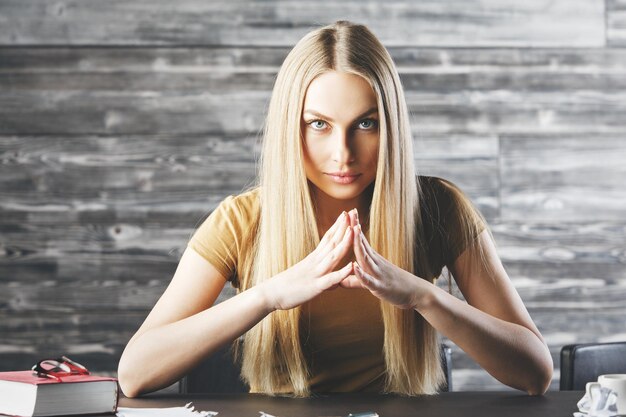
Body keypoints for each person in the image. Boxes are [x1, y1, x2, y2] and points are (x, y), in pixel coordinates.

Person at [117, 20, 553, 398]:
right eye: (319, 125)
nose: (342, 153)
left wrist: (424, 295)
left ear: (391, 126)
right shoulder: (241, 220)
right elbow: (135, 374)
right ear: (293, 126)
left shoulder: (441, 208)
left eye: (366, 123)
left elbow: (535, 374)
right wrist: (268, 295)